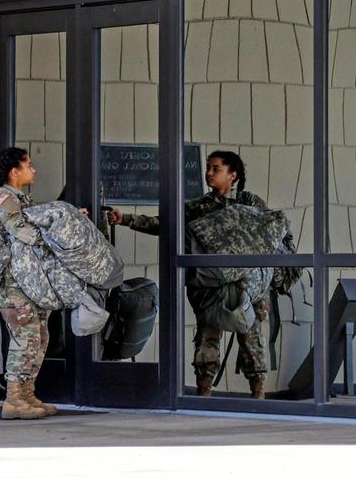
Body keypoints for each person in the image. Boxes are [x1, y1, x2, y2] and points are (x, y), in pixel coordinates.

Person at [109, 150, 289, 399]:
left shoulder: (251, 203)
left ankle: (258, 394)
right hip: (211, 287)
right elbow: (164, 224)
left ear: (233, 175)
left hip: (248, 285)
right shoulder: (199, 206)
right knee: (207, 337)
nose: (209, 173)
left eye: (216, 169)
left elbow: (270, 234)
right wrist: (126, 219)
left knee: (251, 338)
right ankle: (204, 393)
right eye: (208, 167)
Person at [0, 147, 88, 420]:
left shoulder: (22, 199)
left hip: (30, 282)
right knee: (25, 338)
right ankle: (13, 399)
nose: (33, 170)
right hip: (14, 283)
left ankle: (27, 394)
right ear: (13, 171)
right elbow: (24, 232)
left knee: (39, 337)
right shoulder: (4, 198)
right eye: (28, 165)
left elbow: (39, 221)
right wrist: (59, 233)